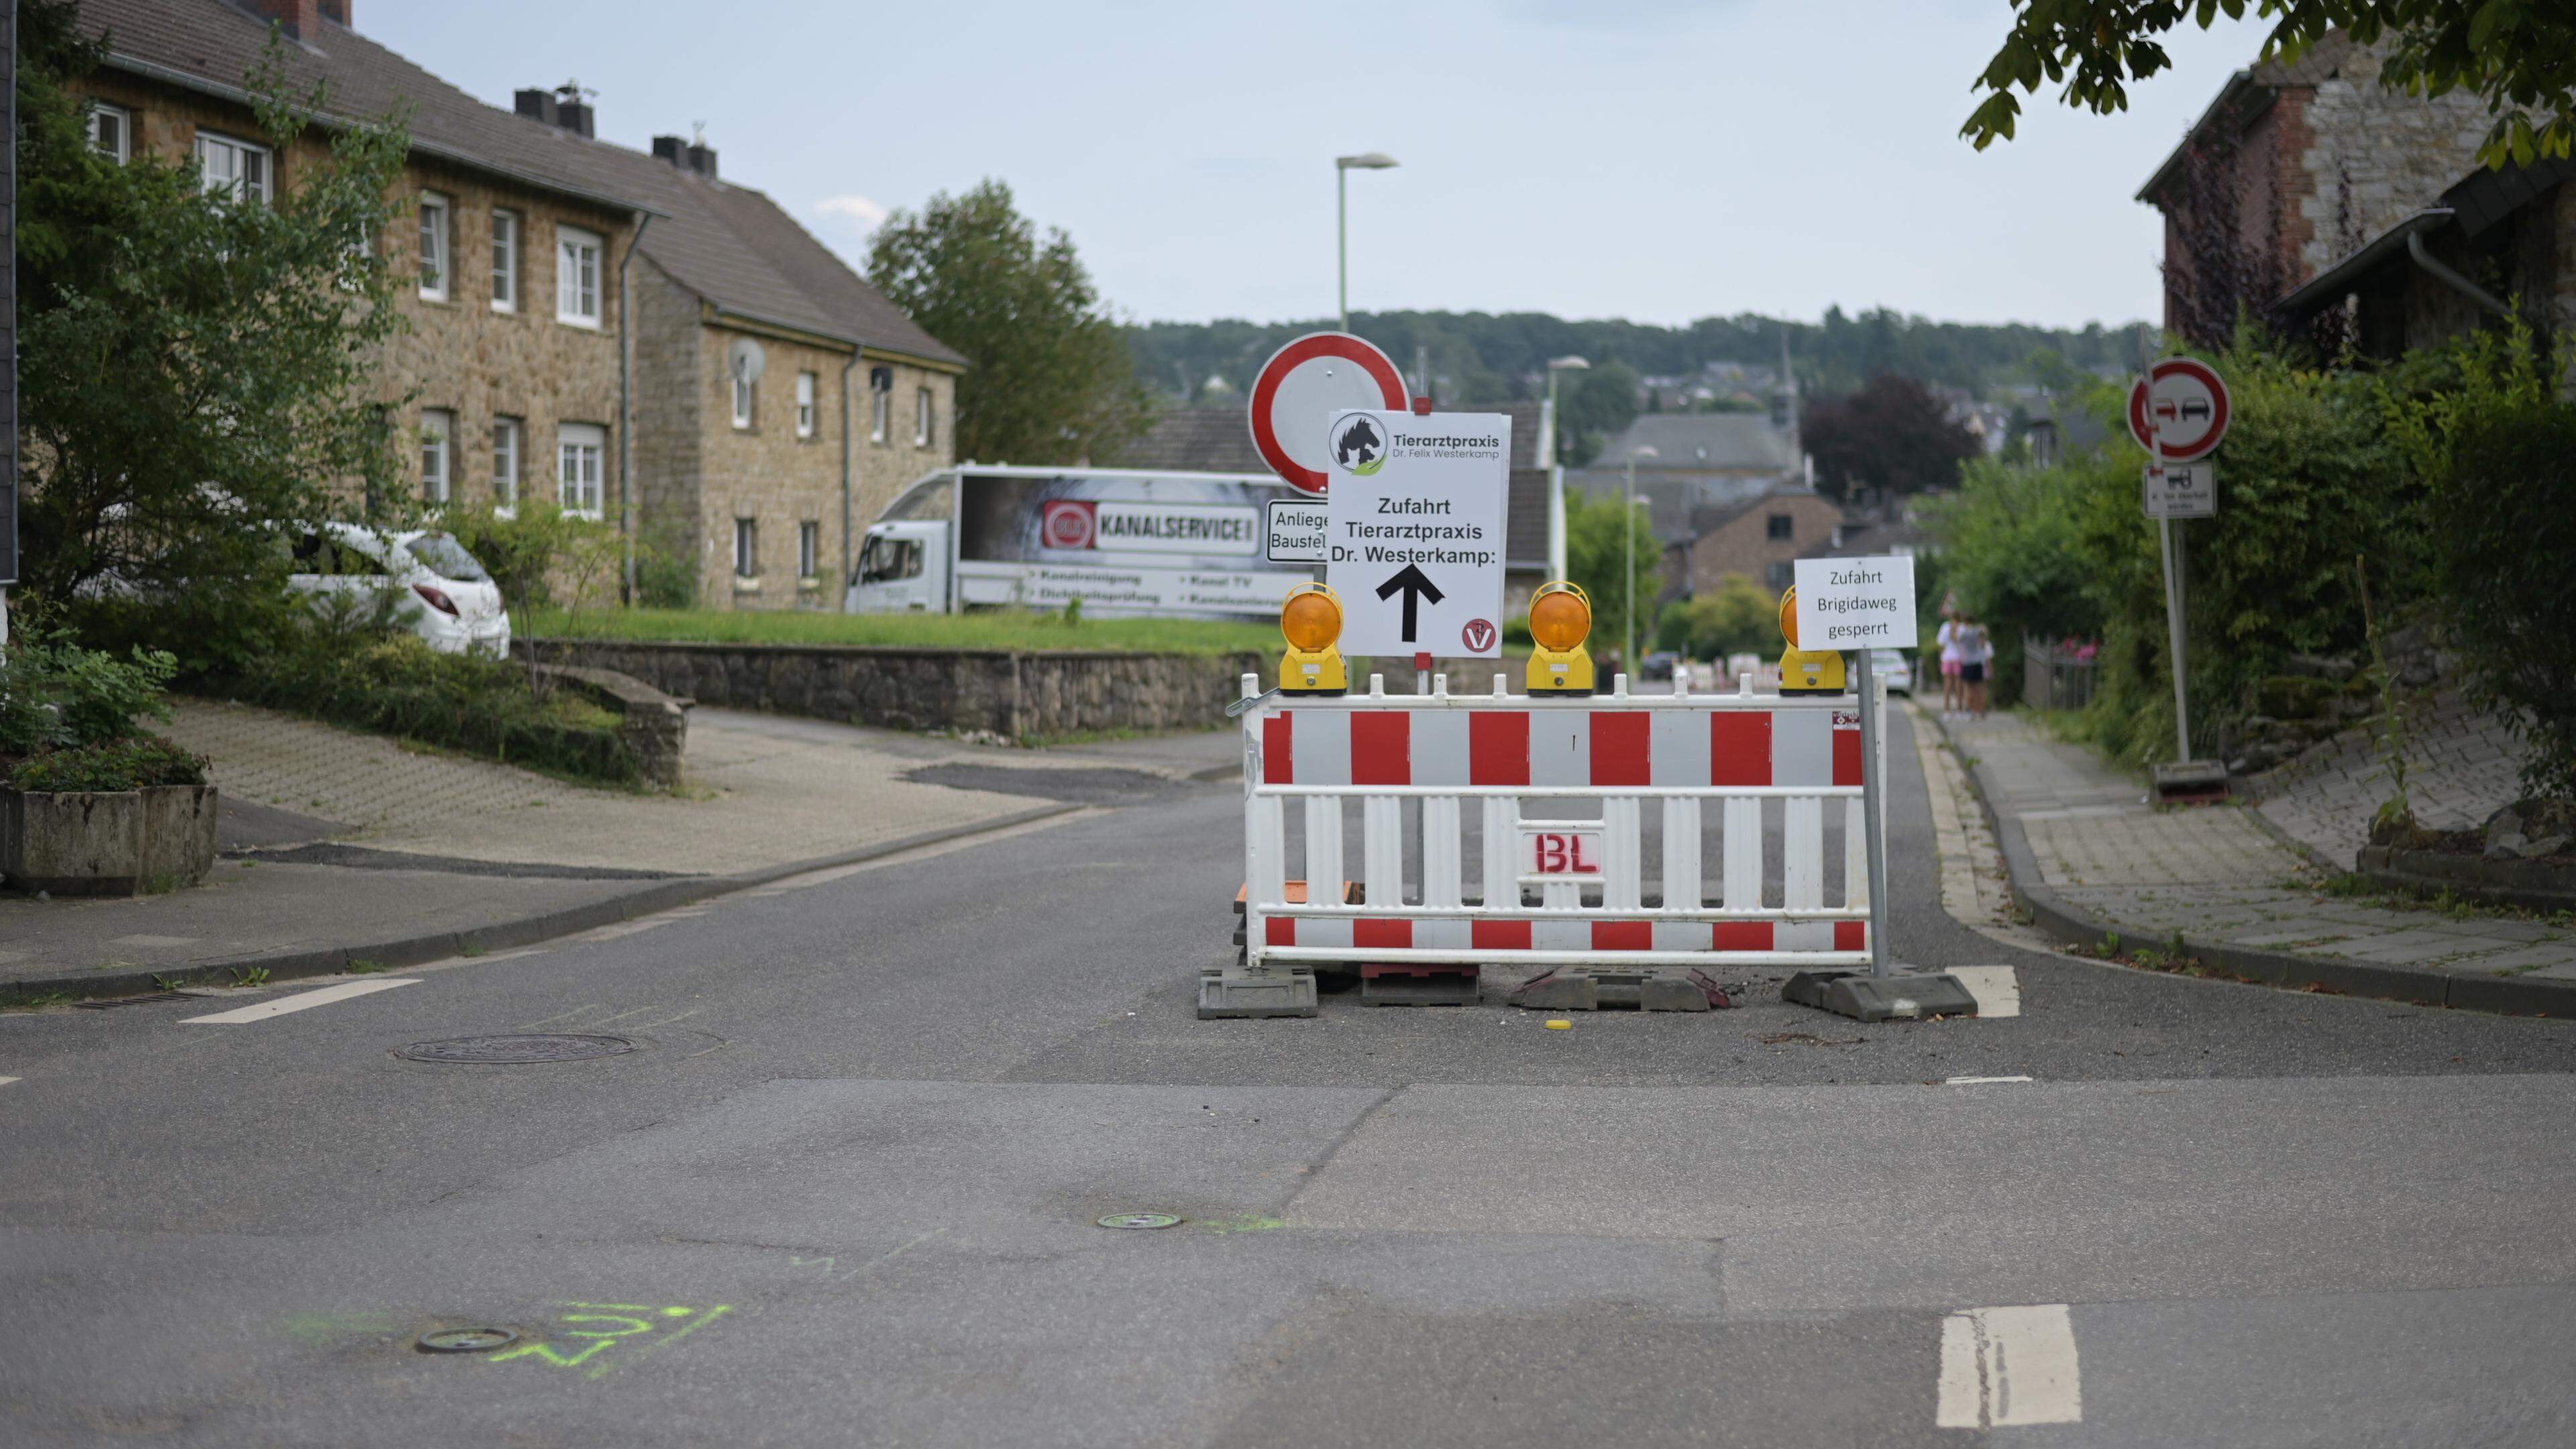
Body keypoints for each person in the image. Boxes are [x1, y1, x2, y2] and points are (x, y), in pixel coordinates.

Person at [1958, 613, 1991, 718]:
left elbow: (1957, 641)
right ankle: (1981, 709)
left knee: (1968, 688)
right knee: (1979, 687)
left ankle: (1970, 710)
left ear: (1965, 622)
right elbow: (1983, 644)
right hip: (1977, 662)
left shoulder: (1963, 633)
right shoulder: (1978, 631)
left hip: (1967, 662)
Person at [1936, 606, 1964, 716]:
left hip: (1951, 658)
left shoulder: (1951, 628)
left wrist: (1941, 658)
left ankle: (1952, 710)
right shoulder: (1955, 628)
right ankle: (1954, 710)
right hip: (1954, 658)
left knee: (1953, 685)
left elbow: (1942, 644)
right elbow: (1942, 644)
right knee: (1954, 685)